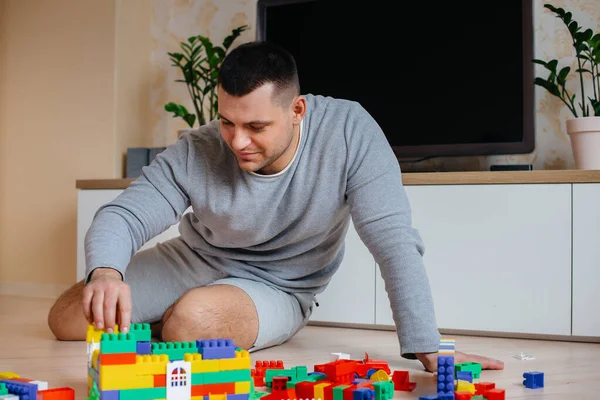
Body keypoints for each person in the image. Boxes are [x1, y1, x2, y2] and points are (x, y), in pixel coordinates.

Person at [47, 40, 503, 372]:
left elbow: (393, 242)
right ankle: (163, 320)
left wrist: (426, 346)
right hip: (196, 260)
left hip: (281, 285)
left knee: (191, 322)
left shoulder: (350, 132)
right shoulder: (201, 146)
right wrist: (107, 271)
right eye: (227, 122)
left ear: (298, 110)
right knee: (68, 317)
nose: (237, 141)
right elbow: (124, 215)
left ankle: (178, 321)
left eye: (256, 126)